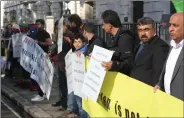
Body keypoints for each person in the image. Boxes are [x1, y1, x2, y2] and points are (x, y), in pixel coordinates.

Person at [130, 17, 170, 86]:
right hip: (135, 88)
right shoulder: (140, 45)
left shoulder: (160, 47)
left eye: (146, 29)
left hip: (147, 91)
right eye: (140, 30)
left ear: (154, 31)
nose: (143, 33)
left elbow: (158, 75)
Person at [154, 13, 184, 101]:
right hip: (168, 102)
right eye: (170, 25)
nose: (170, 29)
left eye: (175, 25)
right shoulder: (172, 46)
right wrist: (160, 84)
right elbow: (167, 71)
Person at [101, 10, 135, 75]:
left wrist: (114, 65)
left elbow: (129, 62)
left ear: (109, 25)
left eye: (103, 24)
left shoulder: (125, 38)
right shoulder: (113, 37)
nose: (102, 27)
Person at [65, 33, 88, 118]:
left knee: (81, 103)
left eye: (79, 42)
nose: (77, 44)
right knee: (77, 103)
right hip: (76, 81)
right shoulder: (74, 52)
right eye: (75, 42)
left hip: (81, 82)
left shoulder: (84, 50)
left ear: (83, 43)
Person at [31, 19, 52, 101]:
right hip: (38, 56)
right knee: (39, 75)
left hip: (44, 56)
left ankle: (42, 94)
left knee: (42, 75)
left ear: (43, 25)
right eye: (36, 24)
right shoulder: (37, 32)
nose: (37, 26)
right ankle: (41, 93)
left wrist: (39, 43)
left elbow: (50, 43)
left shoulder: (45, 33)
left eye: (38, 24)